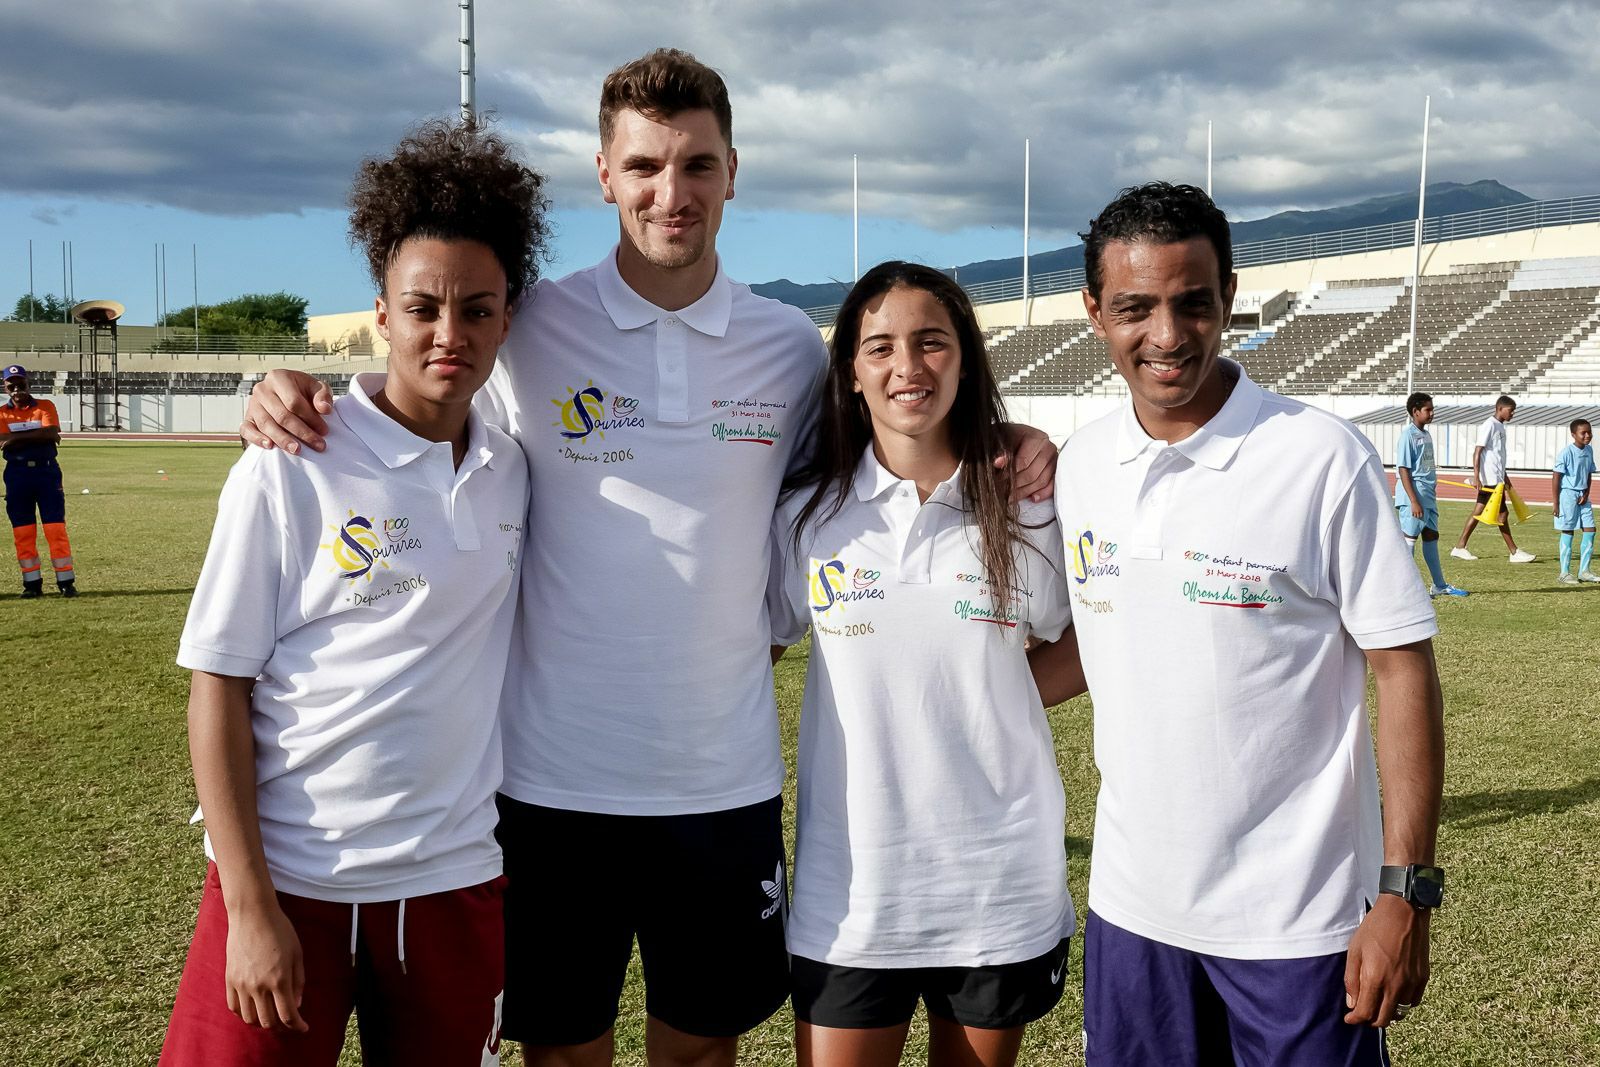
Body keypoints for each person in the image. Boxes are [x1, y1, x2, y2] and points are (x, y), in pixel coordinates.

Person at [240, 49, 1058, 1067]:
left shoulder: (787, 348)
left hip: (721, 783)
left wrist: (1013, 437)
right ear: (604, 174)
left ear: (730, 171)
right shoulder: (532, 322)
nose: (671, 193)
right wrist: (282, 381)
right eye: (644, 167)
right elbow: (421, 371)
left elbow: (887, 452)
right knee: (563, 1053)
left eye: (697, 166)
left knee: (697, 1054)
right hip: (545, 784)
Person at [159, 118, 543, 1066]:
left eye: (478, 310)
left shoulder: (514, 470)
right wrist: (250, 906)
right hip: (290, 881)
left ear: (509, 316)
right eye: (423, 308)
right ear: (381, 311)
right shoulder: (295, 459)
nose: (448, 334)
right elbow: (218, 681)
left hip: (454, 883)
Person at [1034, 182, 1446, 1064]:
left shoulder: (1318, 458)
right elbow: (1099, 643)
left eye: (1193, 302)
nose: (1168, 334)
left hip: (1298, 923)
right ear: (1094, 312)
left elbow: (1402, 668)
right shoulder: (1083, 468)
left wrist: (1404, 892)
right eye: (1135, 307)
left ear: (1228, 294)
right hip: (1132, 911)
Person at [769, 262, 1074, 1067]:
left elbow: (1084, 637)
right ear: (853, 373)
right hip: (853, 892)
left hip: (995, 882)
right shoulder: (806, 514)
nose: (909, 367)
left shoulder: (1025, 498)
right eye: (882, 347)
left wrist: (990, 698)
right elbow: (747, 648)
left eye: (932, 342)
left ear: (966, 359)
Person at [0, 364, 76, 598]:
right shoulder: (2, 413)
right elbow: (2, 440)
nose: (16, 388)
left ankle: (66, 582)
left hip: (47, 473)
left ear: (28, 383)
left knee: (55, 529)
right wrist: (35, 435)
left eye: (20, 383)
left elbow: (51, 433)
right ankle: (31, 584)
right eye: (11, 385)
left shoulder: (45, 406)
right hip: (17, 474)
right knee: (23, 531)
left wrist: (15, 439)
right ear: (5, 386)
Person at [1395, 391, 1468, 597]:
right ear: (1415, 412)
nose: (1432, 413)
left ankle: (1439, 585)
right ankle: (1405, 591)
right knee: (1409, 539)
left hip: (1427, 495)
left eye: (1432, 409)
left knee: (1431, 536)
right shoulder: (1407, 436)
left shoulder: (1425, 434)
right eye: (1427, 409)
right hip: (1414, 496)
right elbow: (1403, 469)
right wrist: (1413, 501)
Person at [1452, 394, 1536, 563]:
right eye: (1510, 411)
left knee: (1481, 511)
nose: (1513, 414)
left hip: (1496, 479)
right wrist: (1476, 477)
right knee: (1502, 513)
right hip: (1489, 480)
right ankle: (1513, 552)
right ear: (1500, 409)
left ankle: (1460, 547)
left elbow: (1498, 456)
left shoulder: (1500, 427)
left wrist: (1505, 477)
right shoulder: (1489, 425)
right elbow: (1478, 451)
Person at [1552, 418, 1596, 585]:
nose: (1587, 435)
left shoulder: (1589, 451)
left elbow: (1589, 473)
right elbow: (1556, 477)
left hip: (1583, 496)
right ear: (1573, 434)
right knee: (1568, 531)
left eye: (1589, 432)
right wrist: (1556, 503)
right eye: (1583, 433)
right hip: (1568, 496)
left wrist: (1586, 492)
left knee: (1591, 530)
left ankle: (1584, 571)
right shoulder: (1566, 453)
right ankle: (1564, 573)